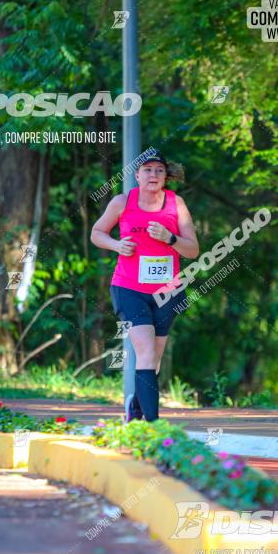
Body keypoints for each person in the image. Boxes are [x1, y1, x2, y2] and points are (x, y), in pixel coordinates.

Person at [91, 149, 199, 421]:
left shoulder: (177, 204)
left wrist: (170, 238)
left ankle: (136, 408)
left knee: (155, 357)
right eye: (147, 170)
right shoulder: (122, 201)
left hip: (167, 291)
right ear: (137, 175)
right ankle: (152, 425)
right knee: (146, 351)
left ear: (166, 176)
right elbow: (97, 233)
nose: (153, 174)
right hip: (129, 289)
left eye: (159, 170)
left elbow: (193, 250)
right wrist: (117, 245)